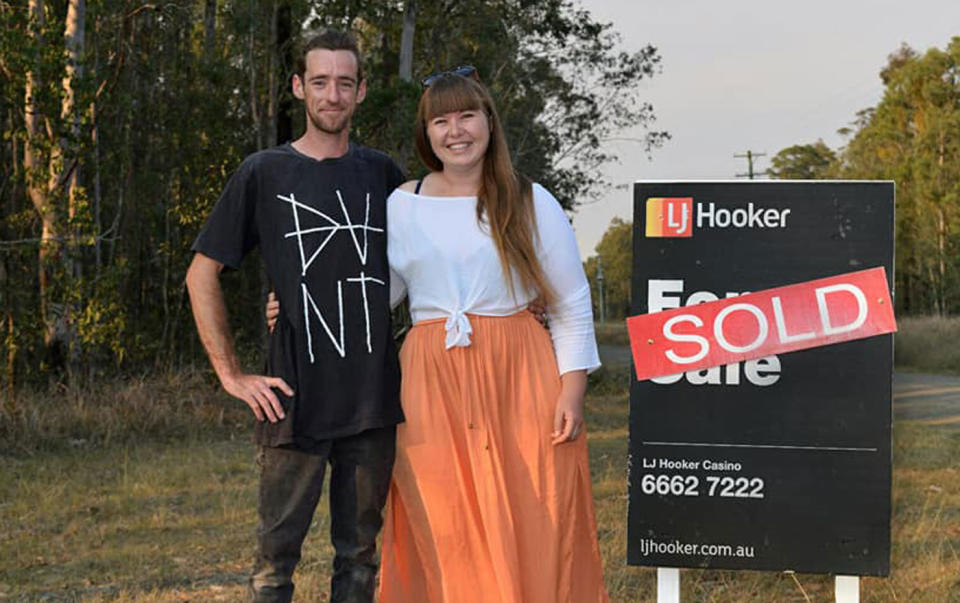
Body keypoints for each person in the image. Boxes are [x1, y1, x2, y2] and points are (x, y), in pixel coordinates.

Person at [185, 30, 403, 603]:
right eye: (321, 82)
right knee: (273, 568)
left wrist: (519, 295)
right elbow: (201, 273)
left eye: (346, 83)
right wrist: (232, 375)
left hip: (372, 401)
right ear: (299, 87)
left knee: (359, 562)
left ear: (360, 93)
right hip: (292, 398)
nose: (333, 95)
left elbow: (433, 262)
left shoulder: (384, 175)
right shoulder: (264, 173)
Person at [378, 70, 608, 602]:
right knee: (442, 515)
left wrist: (572, 388)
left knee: (533, 508)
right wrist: (298, 307)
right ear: (427, 133)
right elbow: (378, 294)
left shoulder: (528, 199)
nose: (455, 131)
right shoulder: (401, 204)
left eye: (466, 116)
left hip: (519, 370)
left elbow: (570, 300)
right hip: (429, 377)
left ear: (488, 123)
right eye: (441, 120)